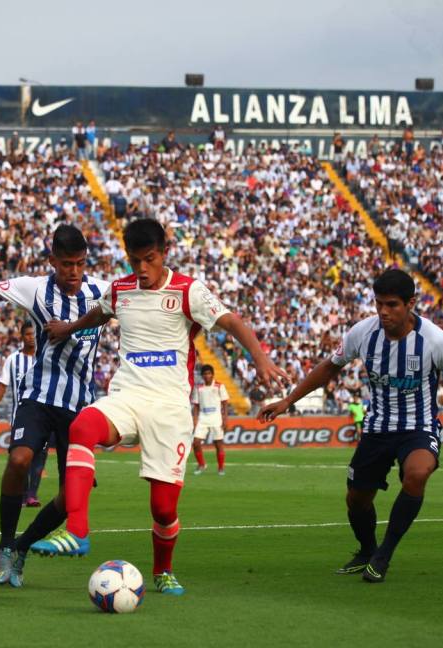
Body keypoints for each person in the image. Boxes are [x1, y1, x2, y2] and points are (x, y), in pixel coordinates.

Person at [34, 218, 286, 597]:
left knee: (163, 509)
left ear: (164, 253)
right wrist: (68, 328)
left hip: (170, 408)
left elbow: (232, 321)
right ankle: (77, 530)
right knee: (83, 426)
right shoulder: (120, 290)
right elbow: (97, 315)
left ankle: (163, 570)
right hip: (129, 395)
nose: (141, 270)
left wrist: (260, 358)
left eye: (149, 259)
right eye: (134, 261)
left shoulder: (188, 291)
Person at [258, 269, 443, 583]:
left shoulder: (434, 340)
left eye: (392, 305)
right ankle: (367, 550)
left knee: (417, 474)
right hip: (376, 428)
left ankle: (383, 556)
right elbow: (328, 368)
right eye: (379, 304)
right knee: (356, 499)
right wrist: (288, 400)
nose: (383, 312)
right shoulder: (363, 333)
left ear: (411, 303)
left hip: (418, 426)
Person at [0, 223, 109, 589]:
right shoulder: (34, 288)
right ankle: (5, 545)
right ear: (52, 261)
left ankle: (23, 547)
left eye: (78, 263)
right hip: (39, 396)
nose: (73, 272)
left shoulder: (103, 291)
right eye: (65, 265)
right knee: (19, 460)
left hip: (80, 407)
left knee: (70, 496)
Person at [0, 322, 49, 507]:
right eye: (28, 334)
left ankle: (32, 494)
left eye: (33, 334)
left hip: (44, 417)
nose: (31, 337)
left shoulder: (45, 357)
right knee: (20, 458)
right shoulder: (13, 359)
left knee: (40, 457)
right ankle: (23, 494)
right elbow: (3, 384)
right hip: (20, 417)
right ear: (22, 336)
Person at [191, 364, 229, 475]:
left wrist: (225, 419)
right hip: (203, 417)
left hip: (216, 417)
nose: (207, 375)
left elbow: (225, 403)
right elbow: (196, 405)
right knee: (196, 442)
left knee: (218, 444)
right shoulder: (199, 388)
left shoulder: (219, 386)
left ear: (212, 374)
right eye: (205, 374)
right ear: (202, 376)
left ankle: (221, 468)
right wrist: (195, 419)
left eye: (209, 373)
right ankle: (202, 464)